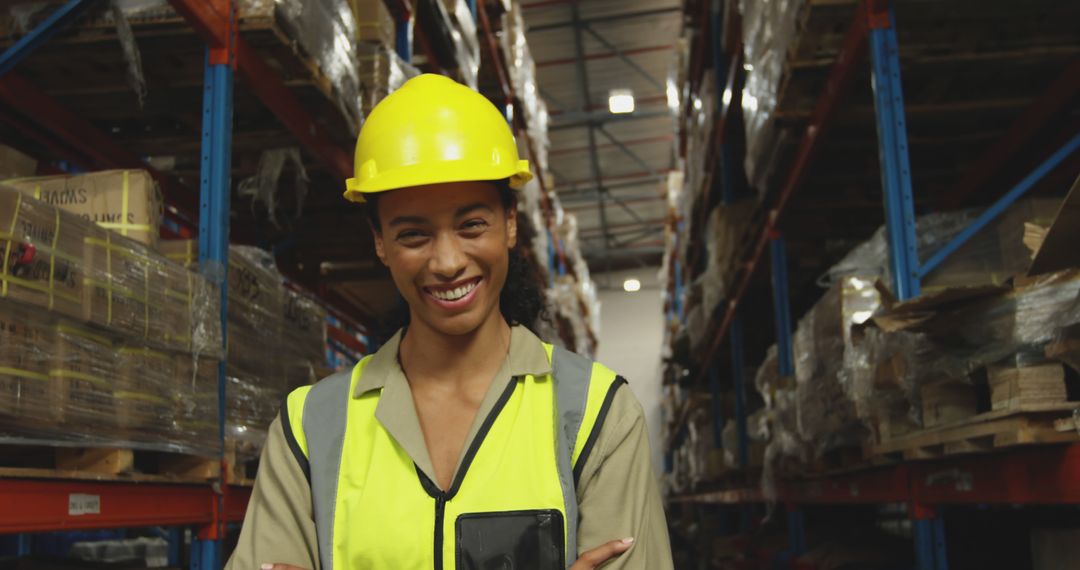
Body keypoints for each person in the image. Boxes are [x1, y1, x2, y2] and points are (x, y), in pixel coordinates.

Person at [225, 74, 673, 570]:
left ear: (510, 222)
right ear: (380, 242)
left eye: (471, 225)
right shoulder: (310, 428)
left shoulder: (597, 417)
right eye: (413, 235)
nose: (446, 261)